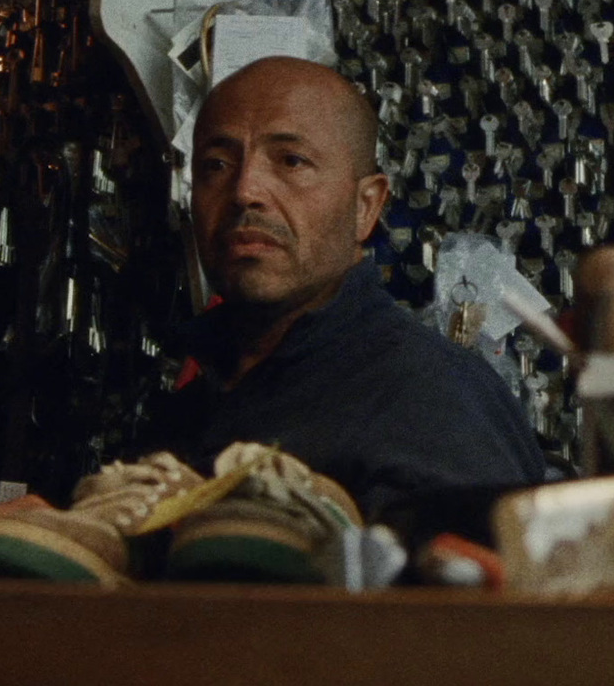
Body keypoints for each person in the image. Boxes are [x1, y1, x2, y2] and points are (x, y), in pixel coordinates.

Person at [153, 55, 546, 518]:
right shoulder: (186, 410)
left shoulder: (433, 400)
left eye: (291, 161)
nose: (245, 192)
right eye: (216, 165)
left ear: (366, 207)